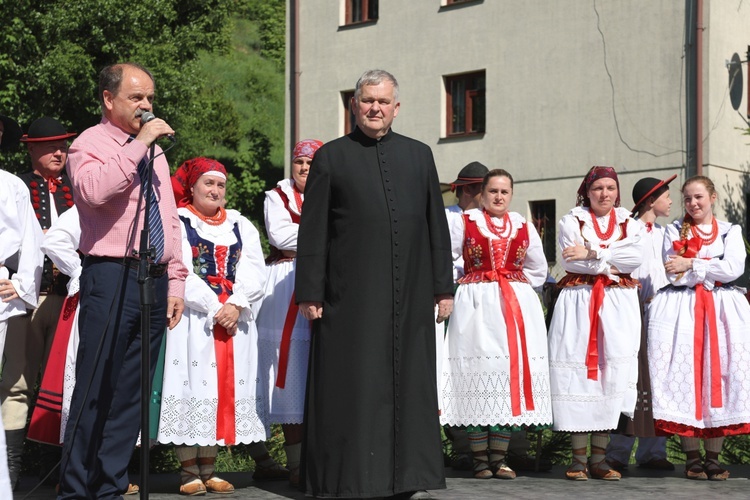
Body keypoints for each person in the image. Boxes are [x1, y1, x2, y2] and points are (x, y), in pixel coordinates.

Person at [295, 69, 453, 499]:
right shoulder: (331, 156)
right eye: (367, 100)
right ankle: (349, 479)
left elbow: (436, 226)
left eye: (383, 102)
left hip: (411, 296)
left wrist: (444, 288)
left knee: (410, 386)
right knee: (355, 386)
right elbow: (314, 229)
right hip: (351, 297)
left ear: (396, 107)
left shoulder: (420, 156)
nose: (375, 108)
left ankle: (407, 479)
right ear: (354, 104)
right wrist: (310, 290)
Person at [58, 62, 188, 499]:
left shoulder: (155, 152)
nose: (147, 106)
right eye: (136, 98)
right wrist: (140, 145)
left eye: (150, 98)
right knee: (97, 387)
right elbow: (93, 192)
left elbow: (169, 220)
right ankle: (75, 491)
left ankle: (110, 488)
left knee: (131, 394)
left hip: (151, 279)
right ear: (108, 99)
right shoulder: (88, 144)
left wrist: (176, 280)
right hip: (110, 275)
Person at [156, 157, 268, 495]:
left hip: (235, 316)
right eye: (208, 183)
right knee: (193, 386)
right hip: (194, 317)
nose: (216, 190)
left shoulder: (239, 224)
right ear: (192, 187)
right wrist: (214, 306)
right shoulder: (179, 219)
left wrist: (235, 303)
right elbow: (179, 269)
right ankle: (187, 470)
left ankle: (209, 468)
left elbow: (254, 268)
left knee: (221, 390)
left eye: (220, 184)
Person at [441, 169, 553, 480]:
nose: (499, 197)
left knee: (506, 375)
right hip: (475, 305)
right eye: (493, 191)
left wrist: (516, 286)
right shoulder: (463, 222)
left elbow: (538, 268)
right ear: (482, 194)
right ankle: (479, 458)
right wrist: (469, 282)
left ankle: (500, 457)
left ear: (511, 194)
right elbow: (446, 259)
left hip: (514, 305)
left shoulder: (522, 225)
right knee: (477, 373)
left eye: (504, 191)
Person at [647, 175, 750, 481]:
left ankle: (714, 458)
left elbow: (733, 268)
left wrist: (692, 263)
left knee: (720, 376)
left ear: (713, 197)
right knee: (686, 376)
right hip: (684, 313)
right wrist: (704, 268)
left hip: (722, 313)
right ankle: (693, 457)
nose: (693, 203)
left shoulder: (731, 231)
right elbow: (673, 275)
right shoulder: (673, 231)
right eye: (688, 199)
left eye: (699, 197)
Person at [547, 166, 644, 481]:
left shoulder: (630, 221)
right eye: (598, 188)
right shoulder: (571, 220)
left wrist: (593, 251)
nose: (605, 194)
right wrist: (610, 258)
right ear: (587, 192)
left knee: (610, 376)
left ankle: (600, 460)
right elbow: (570, 261)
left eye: (610, 188)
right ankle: (577, 460)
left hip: (617, 305)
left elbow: (635, 259)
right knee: (579, 374)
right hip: (580, 302)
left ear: (617, 191)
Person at [1, 117, 77, 486]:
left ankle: (63, 470)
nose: (59, 152)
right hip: (28, 300)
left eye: (63, 145)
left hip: (69, 300)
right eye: (50, 146)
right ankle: (14, 472)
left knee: (66, 382)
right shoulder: (18, 186)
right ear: (30, 148)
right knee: (17, 382)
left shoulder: (78, 190)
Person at [256, 138, 323, 487]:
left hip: (324, 281)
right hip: (286, 282)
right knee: (289, 366)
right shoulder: (276, 196)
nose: (304, 169)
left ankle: (319, 458)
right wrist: (325, 237)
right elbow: (280, 236)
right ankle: (295, 463)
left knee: (319, 366)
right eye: (299, 162)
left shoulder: (332, 193)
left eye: (311, 163)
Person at [605, 175, 677, 473]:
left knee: (658, 380)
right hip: (631, 311)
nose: (671, 201)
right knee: (628, 379)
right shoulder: (629, 230)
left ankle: (652, 450)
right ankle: (617, 451)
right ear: (650, 200)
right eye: (666, 195)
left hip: (662, 314)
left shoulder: (667, 233)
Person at [1, 112, 45, 495]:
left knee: (13, 384)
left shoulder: (11, 185)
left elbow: (32, 244)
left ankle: (7, 480)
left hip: (2, 299)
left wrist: (19, 284)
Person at [440, 161, 489, 471]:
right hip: (455, 294)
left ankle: (504, 444)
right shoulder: (448, 217)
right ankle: (461, 443)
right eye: (482, 189)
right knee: (456, 366)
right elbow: (446, 257)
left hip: (489, 298)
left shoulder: (493, 220)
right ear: (470, 190)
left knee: (491, 364)